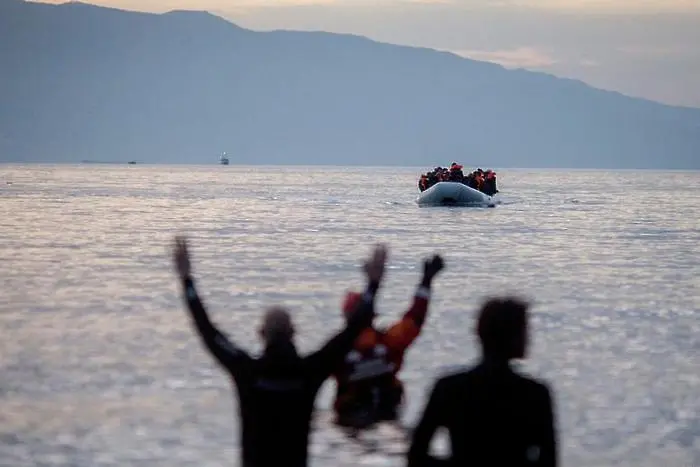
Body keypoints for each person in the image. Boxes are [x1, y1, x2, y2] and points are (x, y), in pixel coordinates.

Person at [173, 236, 389, 467]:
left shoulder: (247, 372)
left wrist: (187, 282)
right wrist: (372, 286)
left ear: (260, 333)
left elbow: (208, 332)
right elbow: (351, 333)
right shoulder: (310, 372)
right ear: (294, 332)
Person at [407, 297, 558, 467]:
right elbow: (549, 461)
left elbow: (416, 456)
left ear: (480, 333)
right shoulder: (535, 395)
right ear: (516, 337)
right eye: (524, 330)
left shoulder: (449, 388)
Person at [332, 254, 445, 431]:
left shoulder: (336, 351)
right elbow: (415, 318)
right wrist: (426, 281)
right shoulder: (388, 343)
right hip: (387, 417)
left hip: (349, 423)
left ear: (346, 317)